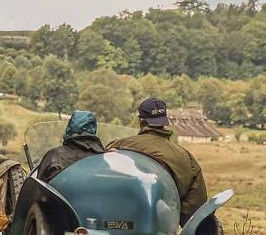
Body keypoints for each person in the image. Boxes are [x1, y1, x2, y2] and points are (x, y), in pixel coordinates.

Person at [107, 97, 207, 226]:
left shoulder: (119, 145)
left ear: (141, 121)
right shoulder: (186, 158)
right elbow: (195, 210)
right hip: (162, 230)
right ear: (164, 122)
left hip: (117, 224)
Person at [38, 110, 105, 183]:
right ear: (93, 130)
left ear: (69, 127)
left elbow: (37, 186)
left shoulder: (55, 156)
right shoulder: (102, 160)